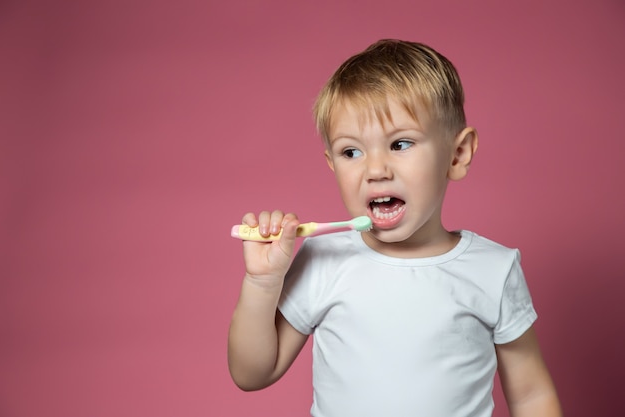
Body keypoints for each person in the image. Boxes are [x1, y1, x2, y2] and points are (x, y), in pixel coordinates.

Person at [227, 39, 562, 417]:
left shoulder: (494, 270)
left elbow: (532, 396)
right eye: (351, 152)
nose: (374, 170)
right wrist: (262, 282)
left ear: (457, 154)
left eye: (400, 144)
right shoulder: (324, 258)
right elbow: (251, 373)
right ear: (332, 165)